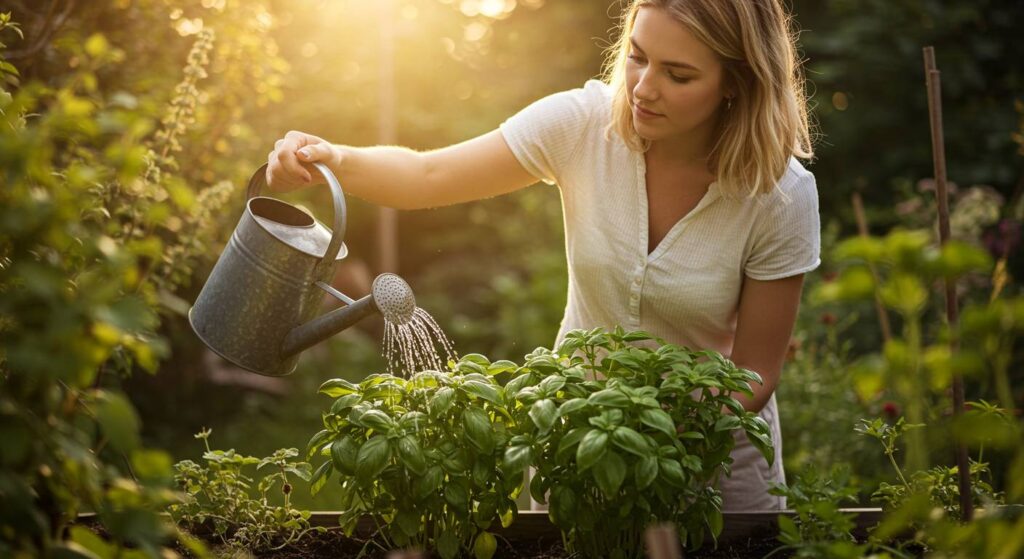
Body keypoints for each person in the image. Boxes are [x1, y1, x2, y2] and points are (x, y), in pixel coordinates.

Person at [266, 0, 819, 511]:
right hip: (580, 444)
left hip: (715, 461)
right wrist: (332, 157)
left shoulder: (779, 194)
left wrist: (653, 441)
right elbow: (428, 174)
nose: (644, 88)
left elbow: (751, 375)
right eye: (638, 57)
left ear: (736, 84)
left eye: (678, 75)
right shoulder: (582, 125)